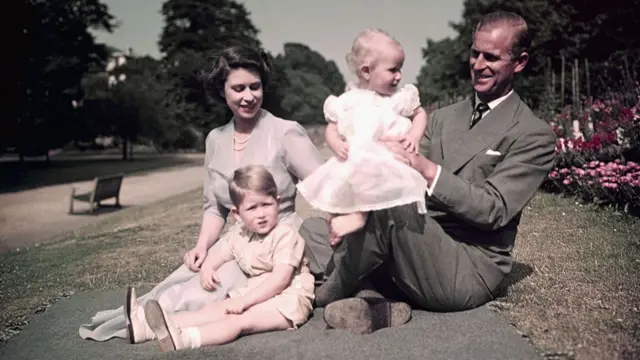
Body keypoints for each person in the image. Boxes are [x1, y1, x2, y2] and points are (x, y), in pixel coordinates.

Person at [301, 11, 558, 334]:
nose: (478, 64)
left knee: (388, 206)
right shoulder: (442, 118)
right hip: (412, 238)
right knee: (314, 227)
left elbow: (493, 210)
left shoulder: (532, 134)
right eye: (474, 53)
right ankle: (377, 302)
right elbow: (389, 171)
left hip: (465, 262)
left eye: (491, 57)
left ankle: (334, 290)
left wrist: (425, 169)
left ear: (519, 63)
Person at [78, 45, 324, 343]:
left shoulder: (285, 132)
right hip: (236, 241)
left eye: (255, 86)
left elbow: (325, 187)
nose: (248, 96)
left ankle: (152, 325)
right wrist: (202, 246)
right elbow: (214, 207)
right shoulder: (215, 139)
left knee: (205, 290)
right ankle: (143, 320)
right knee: (186, 276)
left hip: (275, 246)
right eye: (238, 88)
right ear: (222, 90)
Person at [136, 165, 315, 352]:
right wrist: (207, 268)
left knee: (237, 320)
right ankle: (148, 329)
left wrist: (244, 302)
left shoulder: (285, 234)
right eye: (252, 208)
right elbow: (220, 253)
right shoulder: (242, 234)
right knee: (218, 308)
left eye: (266, 205)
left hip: (289, 301)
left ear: (277, 203)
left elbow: (281, 279)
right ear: (237, 214)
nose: (261, 214)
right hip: (257, 295)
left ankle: (186, 339)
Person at [297, 29, 429, 243]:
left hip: (384, 156)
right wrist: (335, 143)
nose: (399, 76)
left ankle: (359, 215)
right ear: (366, 71)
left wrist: (415, 135)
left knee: (369, 174)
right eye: (393, 70)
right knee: (340, 186)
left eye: (400, 69)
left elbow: (420, 113)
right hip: (354, 155)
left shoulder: (398, 98)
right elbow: (332, 126)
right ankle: (337, 223)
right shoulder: (348, 100)